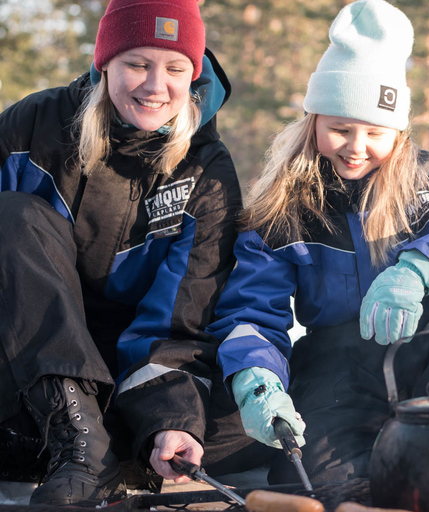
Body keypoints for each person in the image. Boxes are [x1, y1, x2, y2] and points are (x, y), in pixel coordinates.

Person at [207, 0, 429, 484]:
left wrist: (419, 267)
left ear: (399, 131)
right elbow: (251, 311)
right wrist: (256, 379)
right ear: (312, 122)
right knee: (321, 481)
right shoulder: (283, 212)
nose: (356, 146)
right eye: (340, 128)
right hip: (341, 368)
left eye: (375, 131)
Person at [0, 0, 266, 505]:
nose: (154, 86)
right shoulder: (31, 127)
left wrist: (169, 422)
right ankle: (79, 443)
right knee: (13, 218)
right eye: (137, 64)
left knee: (246, 417)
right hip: (28, 377)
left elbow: (180, 320)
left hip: (128, 384)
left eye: (174, 68)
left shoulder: (206, 173)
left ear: (194, 74)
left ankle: (118, 454)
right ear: (105, 63)